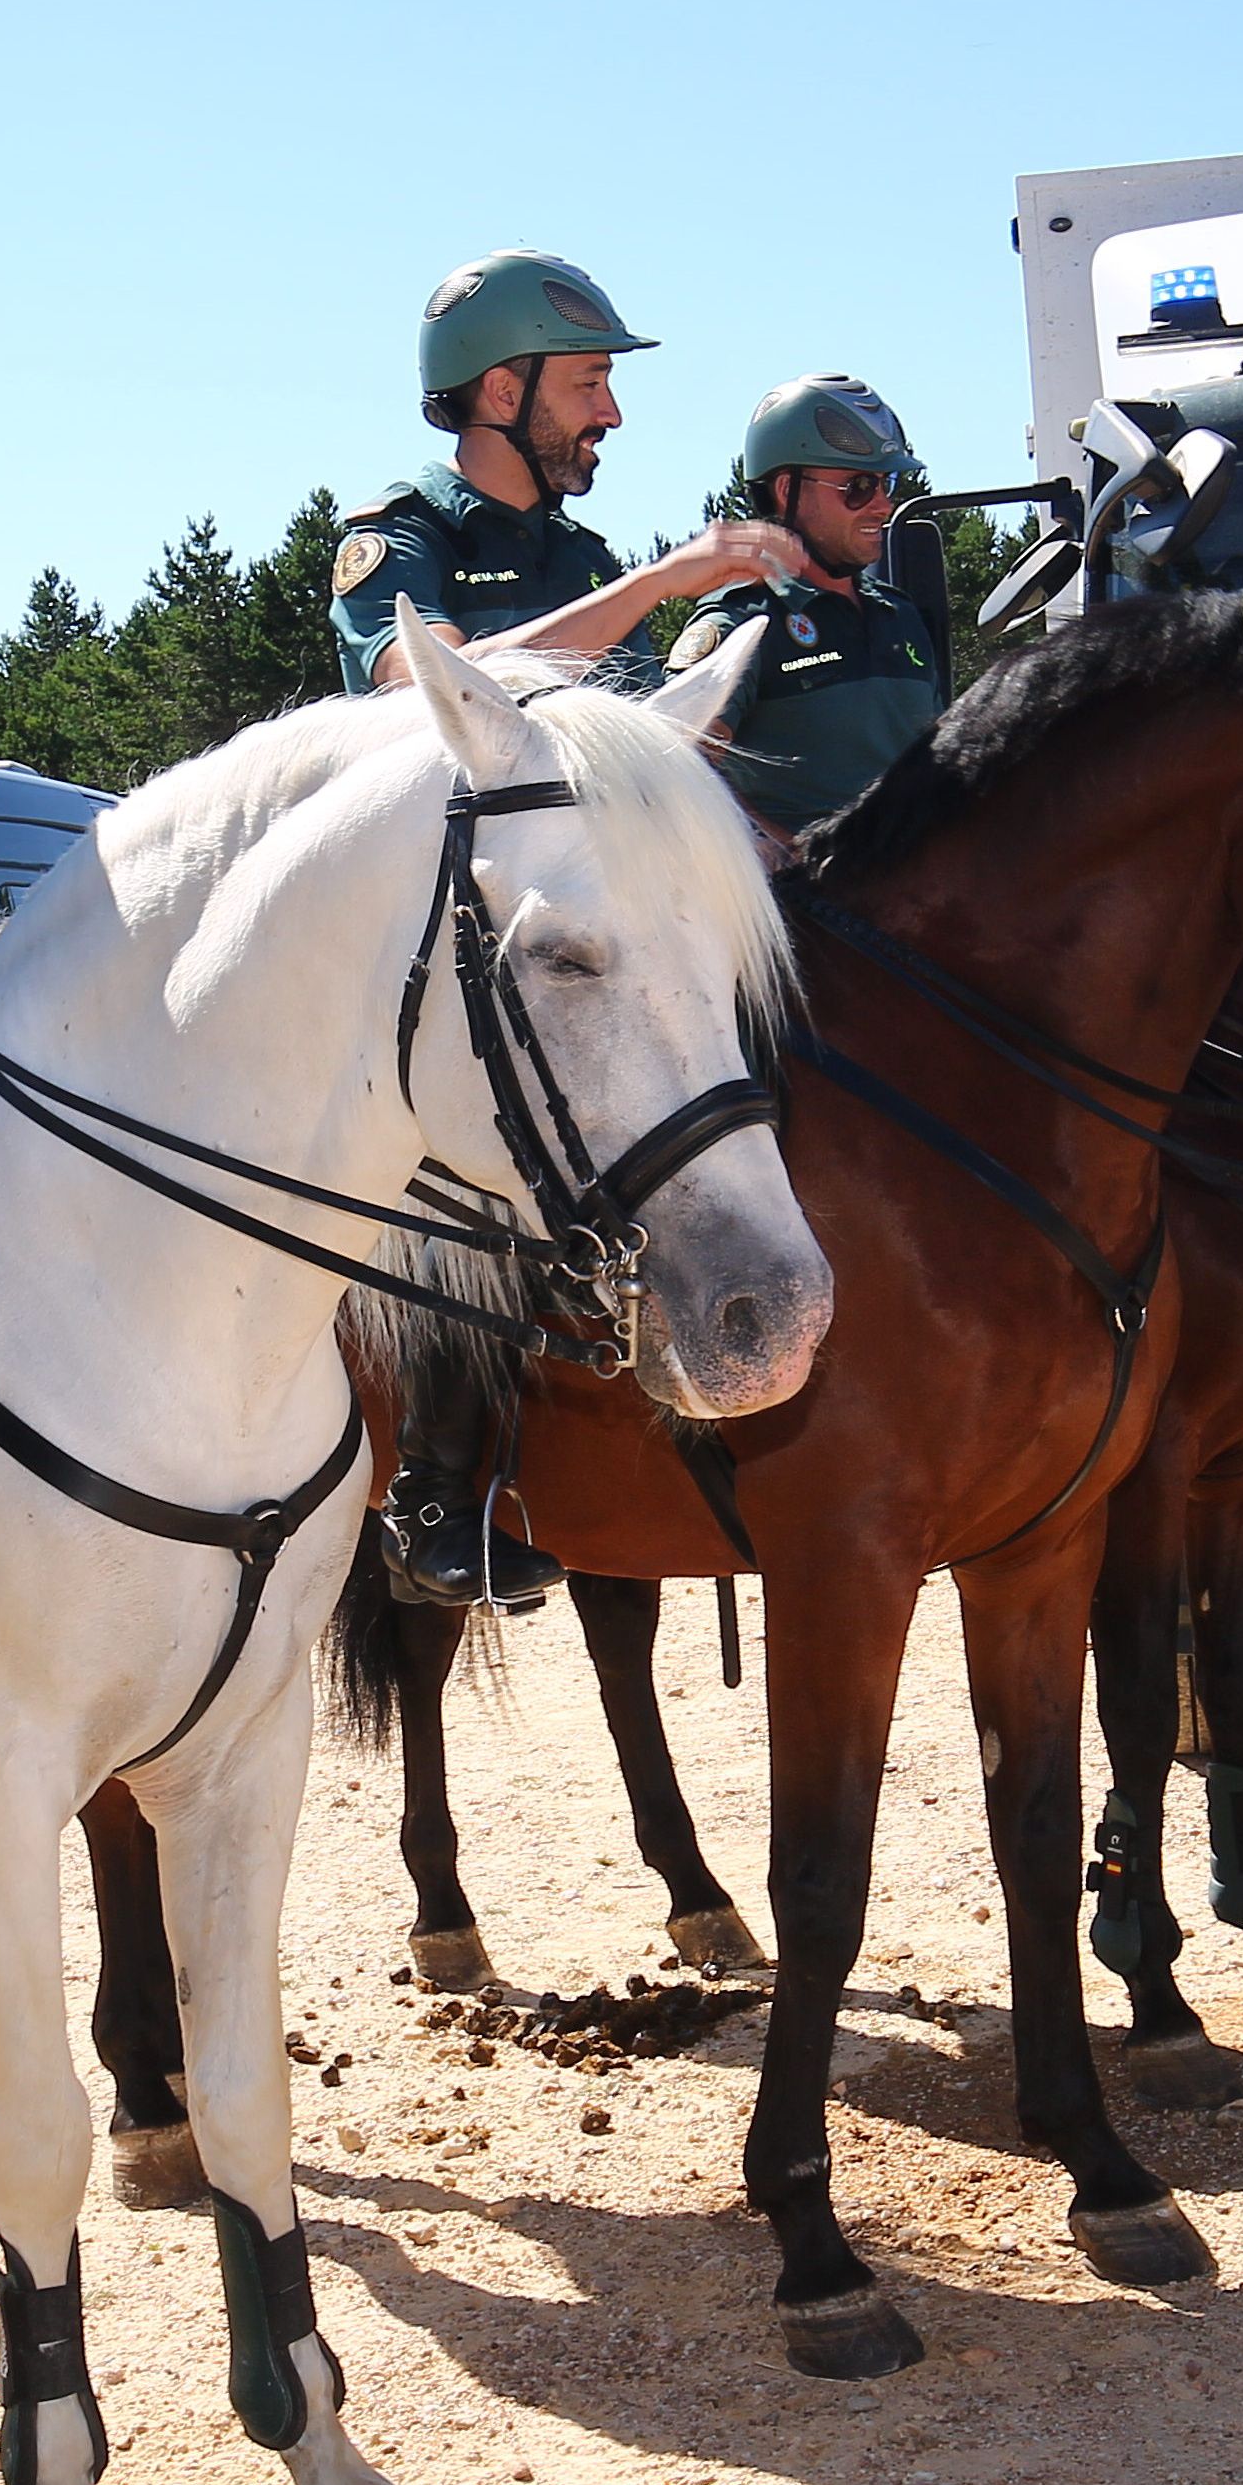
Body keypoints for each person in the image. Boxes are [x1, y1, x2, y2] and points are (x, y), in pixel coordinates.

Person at [331, 251, 813, 1601]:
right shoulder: (399, 538)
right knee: (449, 1176)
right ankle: (435, 1478)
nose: (608, 415)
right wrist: (663, 586)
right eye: (590, 382)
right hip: (434, 941)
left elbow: (643, 762)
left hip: (566, 932)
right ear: (502, 389)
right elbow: (418, 679)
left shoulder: (582, 555)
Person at [671, 374, 952, 843]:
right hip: (804, 911)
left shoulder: (900, 615)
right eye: (859, 486)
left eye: (889, 483)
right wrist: (780, 851)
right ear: (787, 489)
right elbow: (677, 768)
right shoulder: (744, 622)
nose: (883, 505)